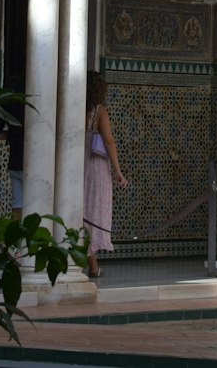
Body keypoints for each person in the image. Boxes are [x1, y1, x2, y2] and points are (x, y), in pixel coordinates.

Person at [83, 70, 127, 278]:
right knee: (92, 212)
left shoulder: (74, 107)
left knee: (80, 211)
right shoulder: (99, 111)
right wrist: (118, 170)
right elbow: (108, 140)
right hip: (95, 166)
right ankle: (92, 266)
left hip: (76, 164)